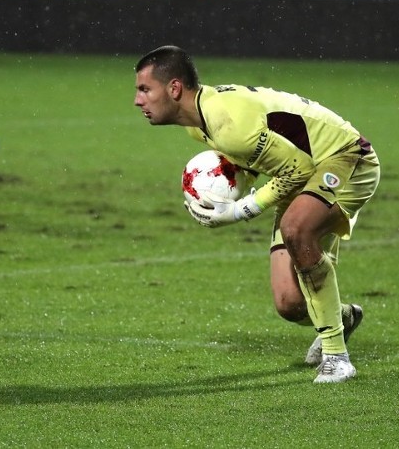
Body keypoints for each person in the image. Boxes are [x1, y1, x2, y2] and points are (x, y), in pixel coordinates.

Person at [133, 45, 380, 383]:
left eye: (144, 89)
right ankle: (342, 317)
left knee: (296, 229)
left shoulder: (228, 124)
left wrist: (240, 210)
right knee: (289, 303)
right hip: (307, 173)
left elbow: (298, 167)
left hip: (347, 157)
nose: (138, 100)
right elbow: (258, 160)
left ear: (174, 88)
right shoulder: (200, 123)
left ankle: (337, 358)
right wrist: (221, 189)